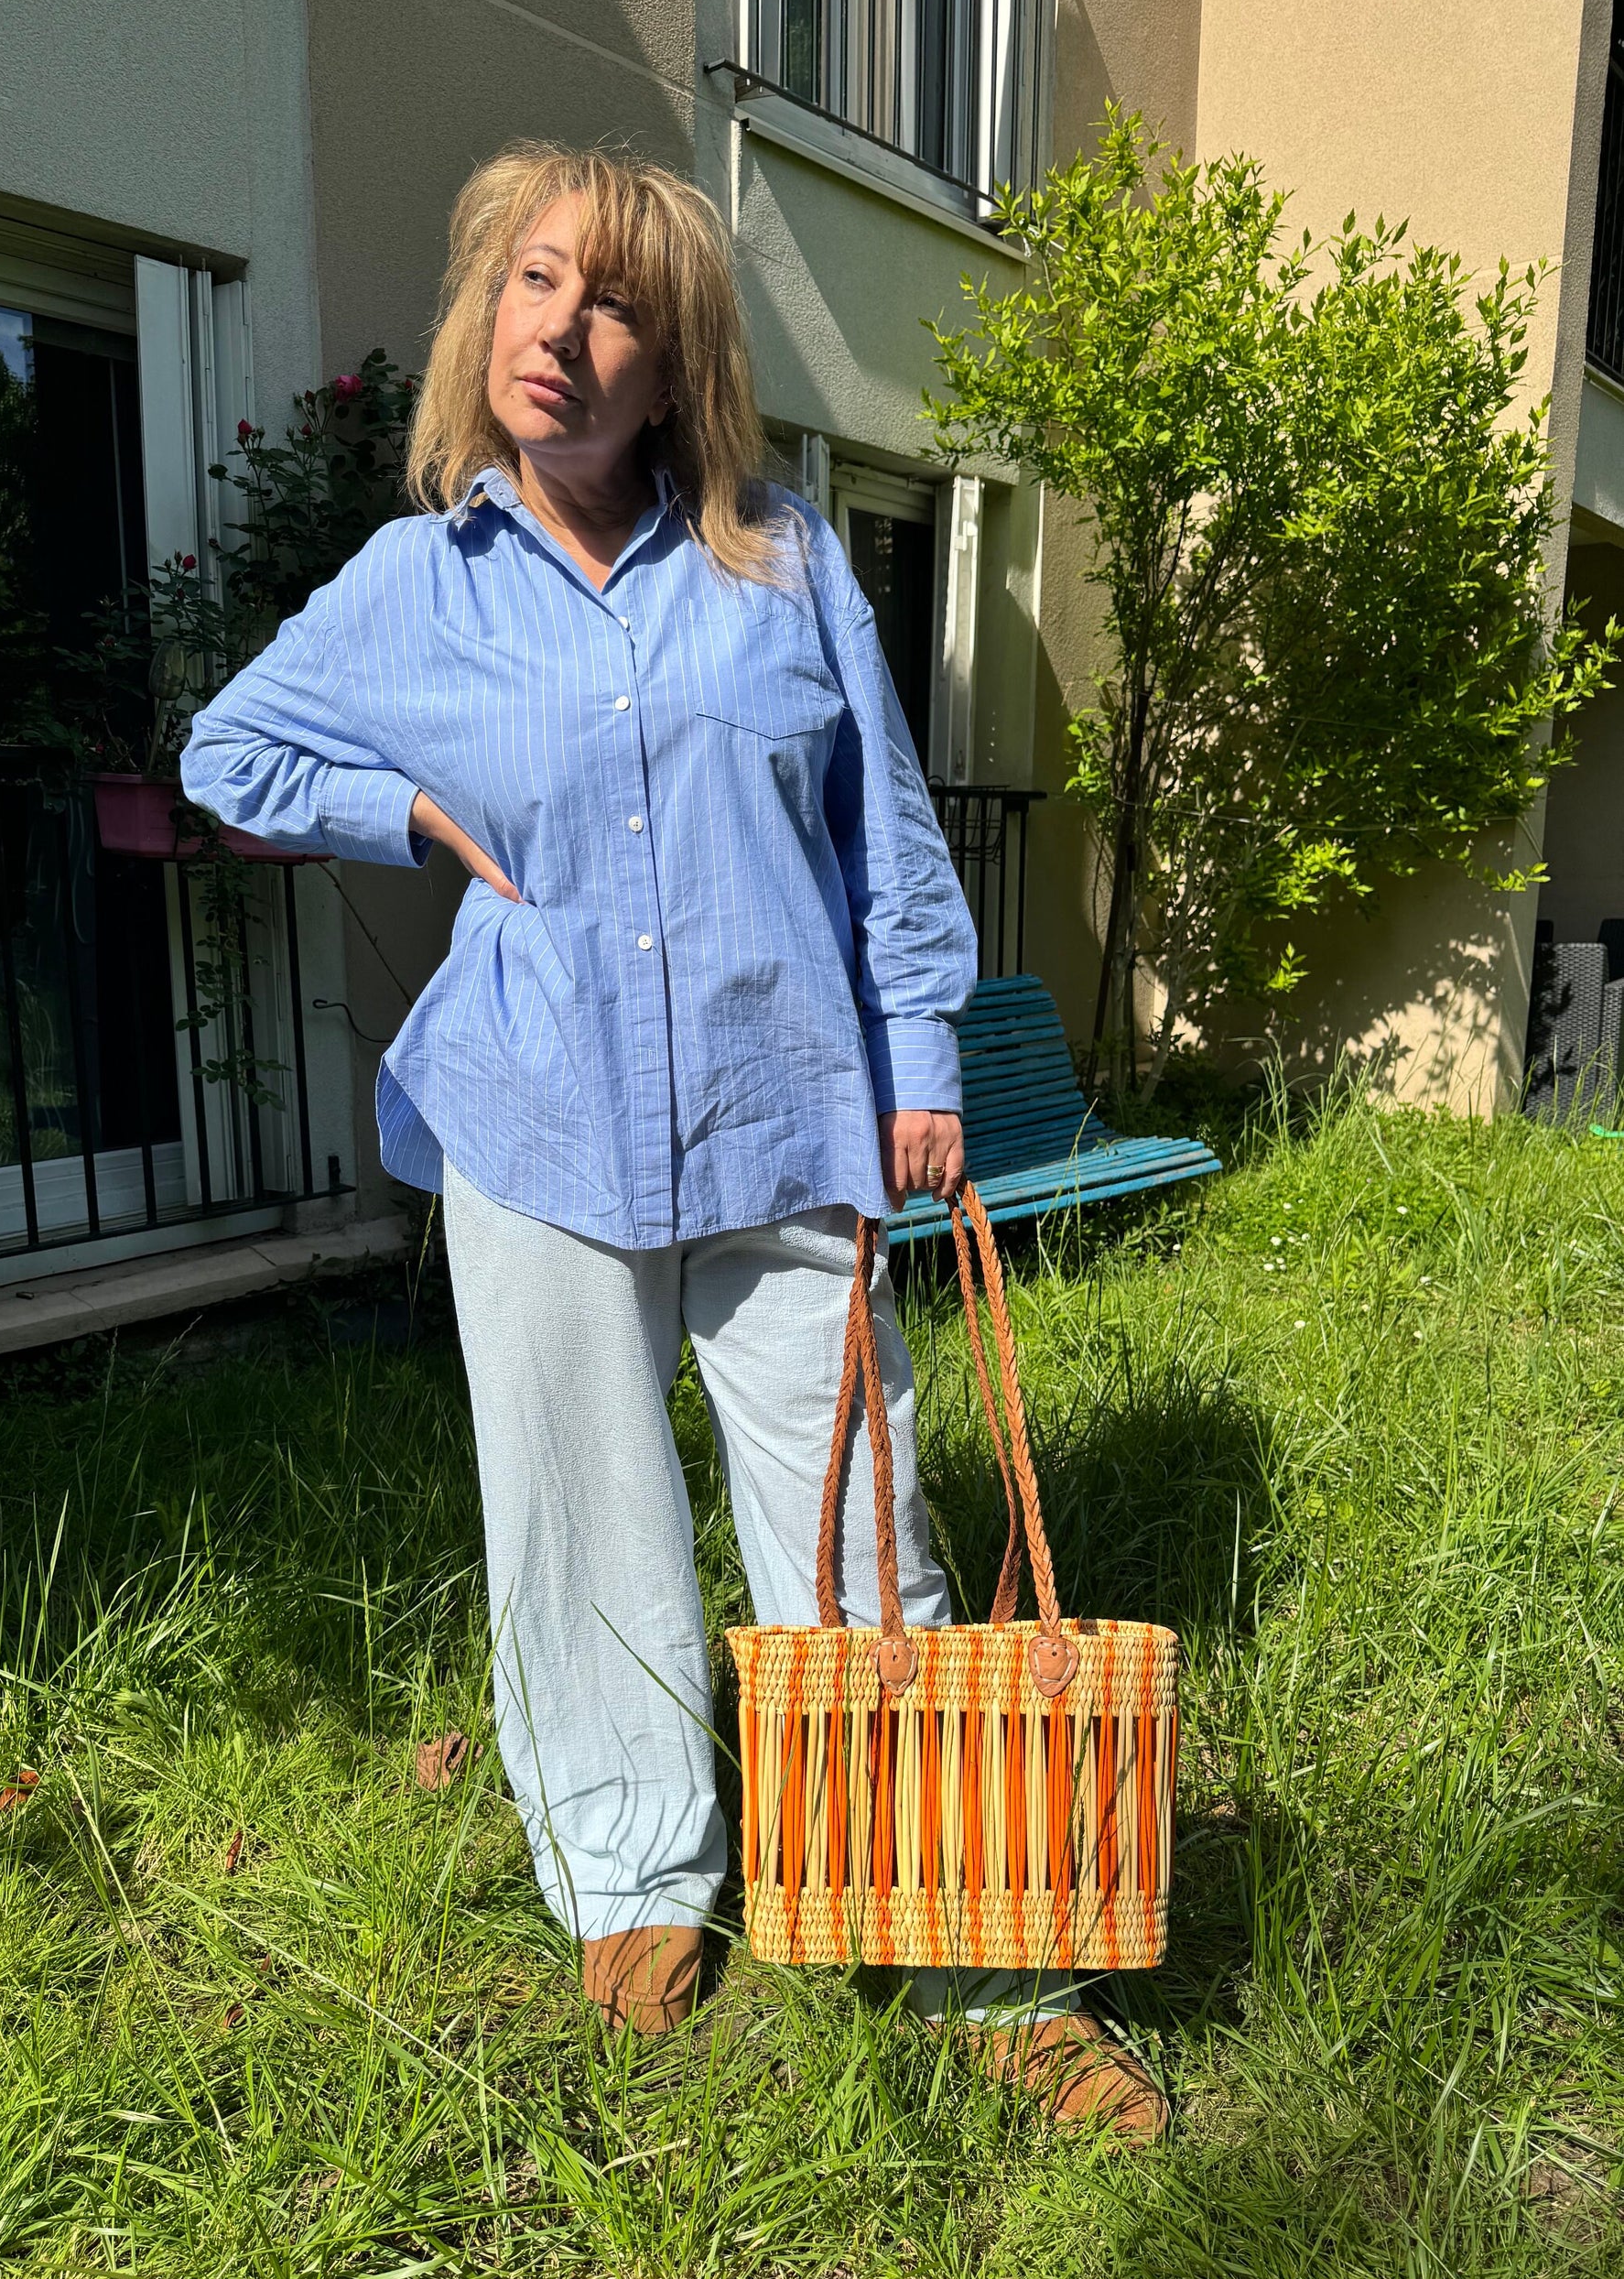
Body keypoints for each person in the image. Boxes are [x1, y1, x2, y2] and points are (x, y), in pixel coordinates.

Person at [182, 144, 1164, 2138]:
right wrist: (417, 822)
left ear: (674, 358)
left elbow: (886, 838)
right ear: (489, 319)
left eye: (612, 299)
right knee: (584, 1518)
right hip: (532, 1123)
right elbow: (231, 747)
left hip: (783, 1111)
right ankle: (639, 1871)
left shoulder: (780, 561)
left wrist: (920, 1060)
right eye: (535, 283)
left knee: (867, 1538)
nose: (562, 328)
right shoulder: (413, 586)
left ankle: (989, 1950)